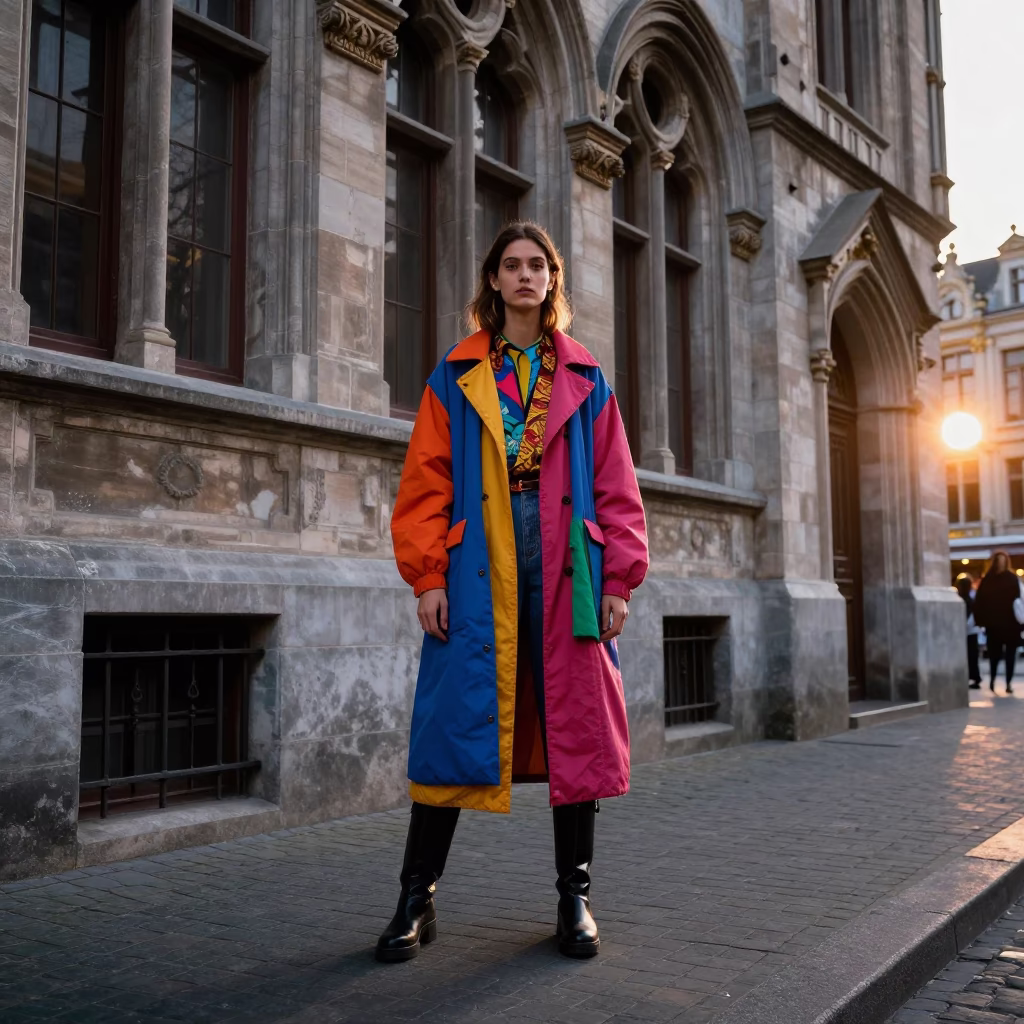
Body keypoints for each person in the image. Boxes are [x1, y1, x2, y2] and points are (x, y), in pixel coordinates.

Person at [378, 221, 649, 963]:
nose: (525, 275)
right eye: (511, 264)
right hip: (476, 568)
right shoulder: (456, 372)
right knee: (451, 724)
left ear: (552, 279)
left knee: (578, 727)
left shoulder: (586, 376)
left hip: (570, 566)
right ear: (493, 280)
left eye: (537, 265)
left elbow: (616, 484)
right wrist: (427, 576)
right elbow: (425, 483)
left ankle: (574, 899)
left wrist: (619, 578)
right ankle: (415, 899)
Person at [972, 551, 1019, 695]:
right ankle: (992, 680)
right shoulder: (989, 579)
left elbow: (1018, 600)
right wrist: (981, 621)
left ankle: (1008, 682)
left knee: (1010, 656)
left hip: (1010, 625)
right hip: (994, 625)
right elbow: (980, 602)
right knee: (994, 655)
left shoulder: (1011, 578)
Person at [956, 575, 982, 689]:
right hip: (971, 631)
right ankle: (974, 677)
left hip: (966, 631)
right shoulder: (970, 600)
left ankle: (971, 677)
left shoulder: (963, 600)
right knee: (972, 656)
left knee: (968, 656)